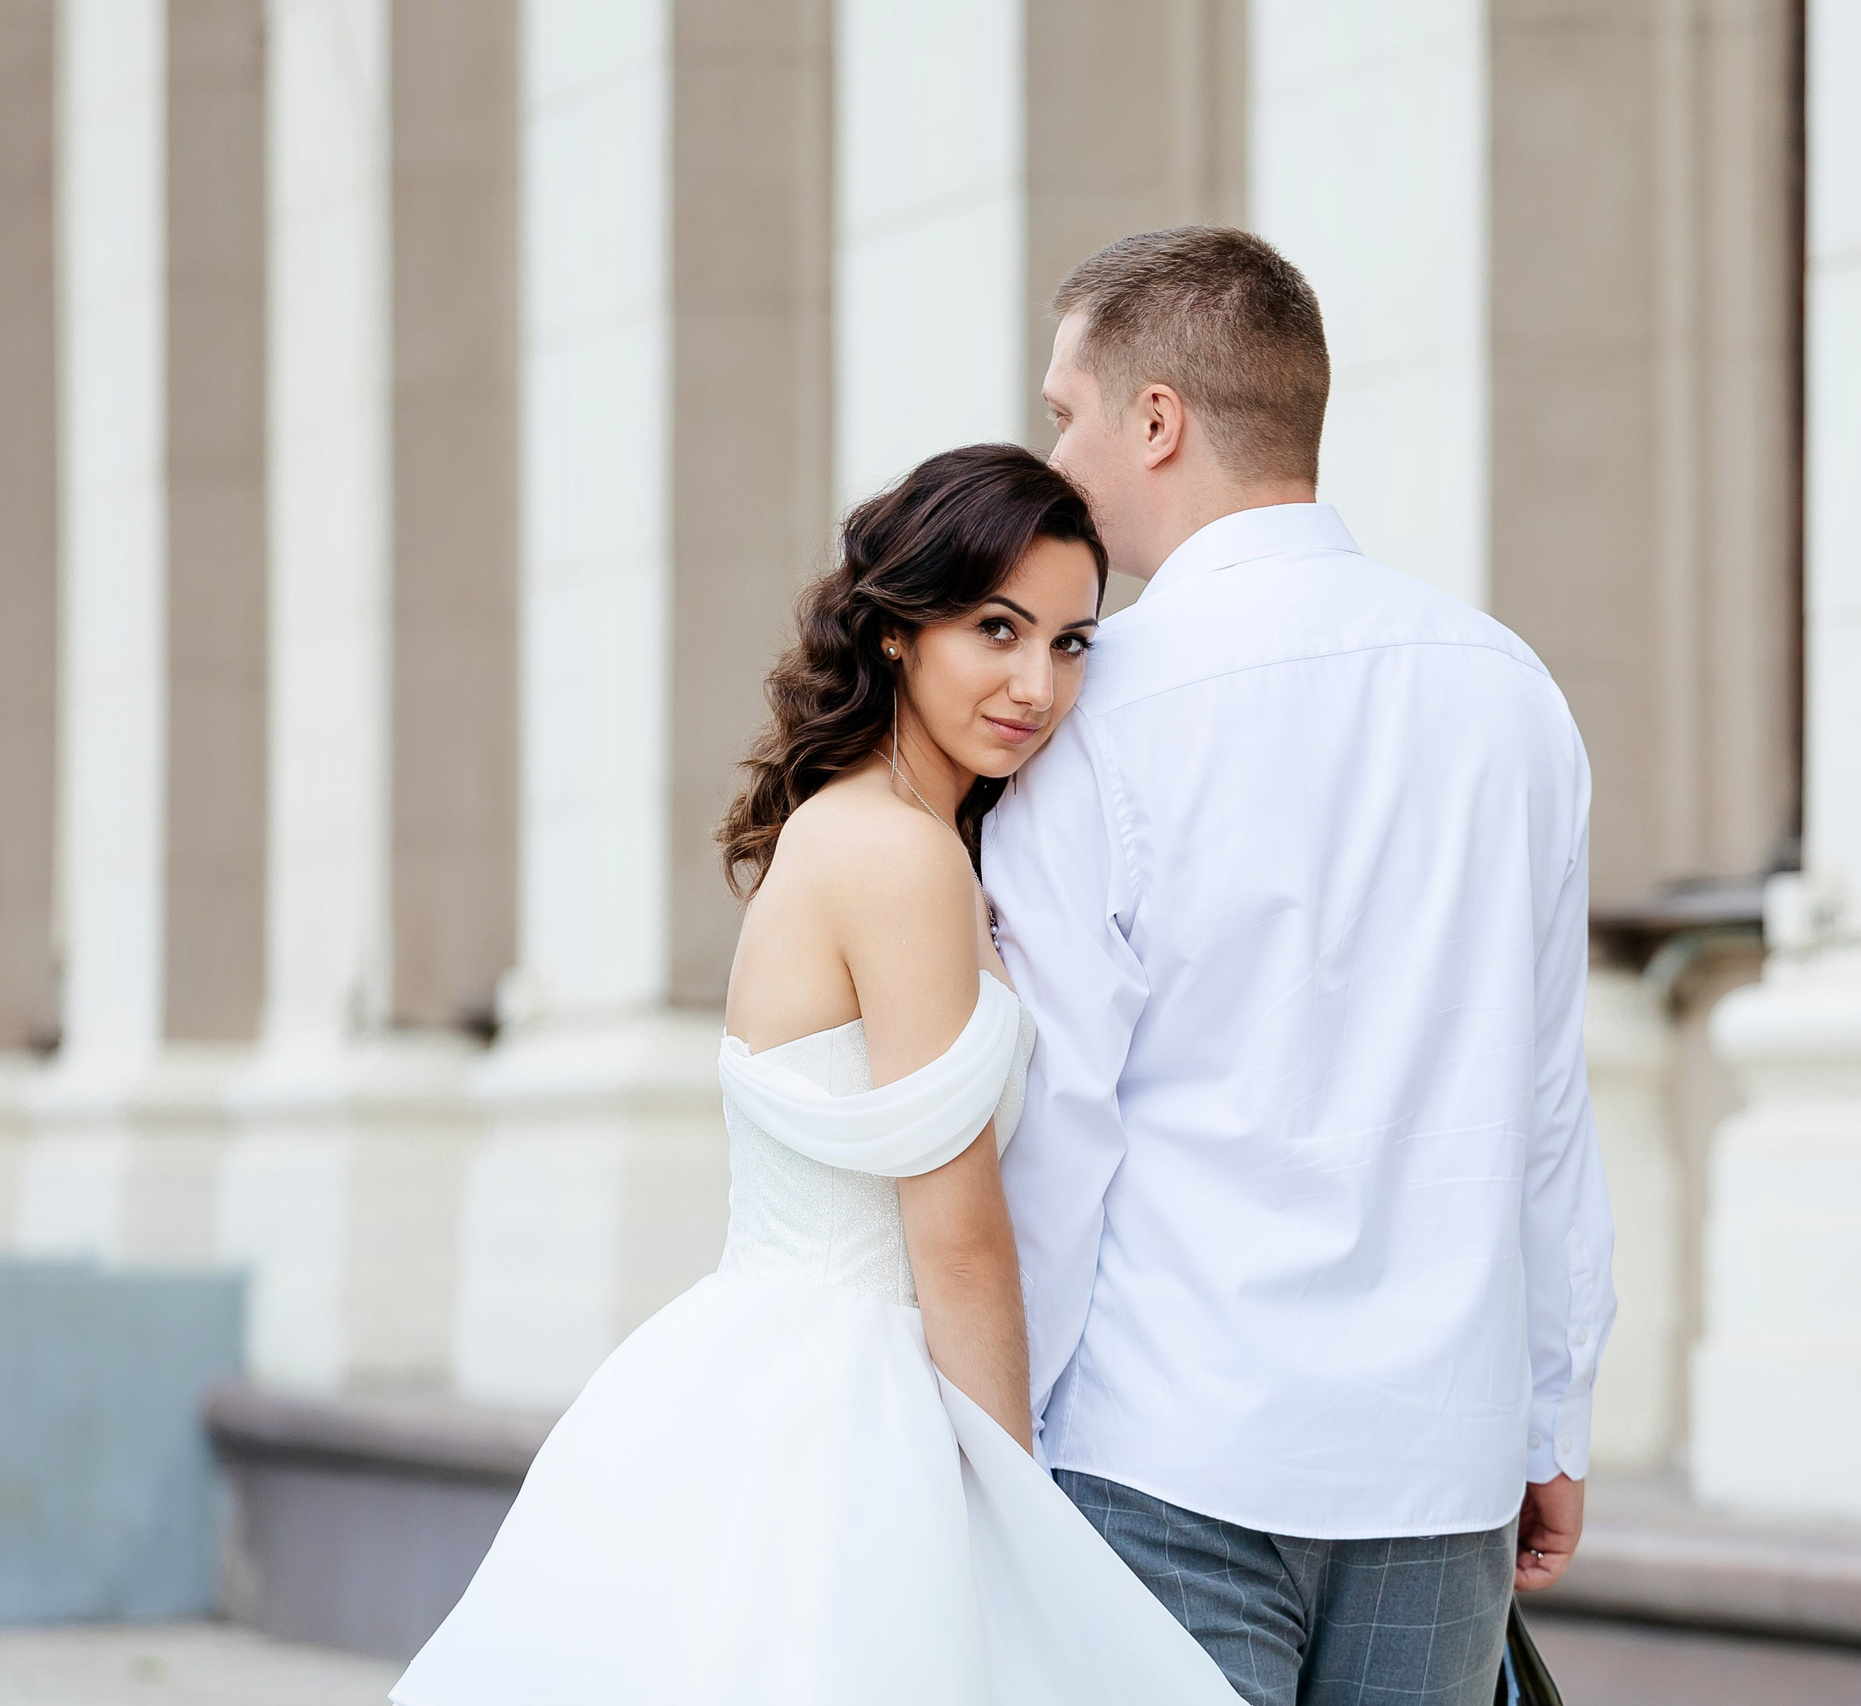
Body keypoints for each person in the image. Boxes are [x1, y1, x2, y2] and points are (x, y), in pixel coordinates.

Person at [390, 445, 1242, 1706]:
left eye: (1071, 642)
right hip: (848, 1409)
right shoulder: (901, 860)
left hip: (759, 1378)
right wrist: (1014, 1520)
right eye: (994, 628)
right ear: (898, 630)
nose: (1035, 683)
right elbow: (955, 1241)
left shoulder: (861, 831)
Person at [985, 227, 1617, 1706]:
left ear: (1159, 419)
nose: (1055, 451)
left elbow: (1059, 1123)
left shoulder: (1093, 713)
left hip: (1165, 1437)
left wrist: (1000, 1433)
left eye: (1065, 409)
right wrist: (1550, 1411)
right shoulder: (1507, 688)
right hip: (1437, 1451)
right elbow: (1547, 1101)